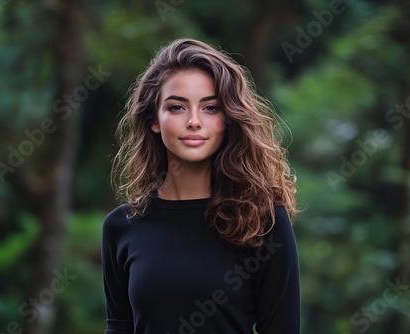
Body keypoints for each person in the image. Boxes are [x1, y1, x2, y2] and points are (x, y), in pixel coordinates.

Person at [102, 38, 300, 334]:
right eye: (177, 107)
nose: (194, 121)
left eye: (210, 108)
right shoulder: (121, 226)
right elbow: (119, 328)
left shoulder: (263, 221)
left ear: (228, 118)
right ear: (154, 120)